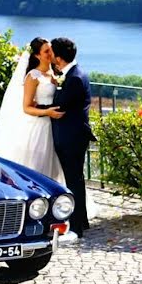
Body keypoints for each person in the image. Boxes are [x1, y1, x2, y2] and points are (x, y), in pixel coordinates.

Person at [0, 37, 66, 184]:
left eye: (51, 50)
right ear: (37, 55)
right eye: (46, 51)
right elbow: (26, 107)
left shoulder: (53, 74)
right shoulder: (33, 76)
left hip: (53, 126)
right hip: (38, 126)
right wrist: (47, 112)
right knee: (36, 166)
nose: (50, 54)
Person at [50, 37, 95, 237]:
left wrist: (36, 109)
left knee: (73, 181)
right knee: (76, 179)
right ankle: (81, 221)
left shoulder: (74, 78)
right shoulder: (74, 74)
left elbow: (60, 107)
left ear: (58, 58)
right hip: (74, 135)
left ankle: (76, 227)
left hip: (71, 137)